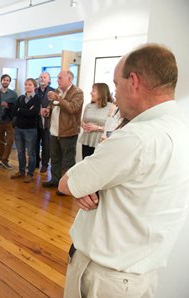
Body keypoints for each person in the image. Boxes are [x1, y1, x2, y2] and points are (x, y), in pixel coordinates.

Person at [58, 44, 189, 298]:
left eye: (116, 84)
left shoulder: (135, 138)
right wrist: (90, 182)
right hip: (140, 275)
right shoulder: (180, 128)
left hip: (104, 280)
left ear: (134, 81)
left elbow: (67, 183)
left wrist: (84, 182)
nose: (114, 94)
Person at [42, 70, 83, 196]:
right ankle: (55, 180)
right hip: (54, 131)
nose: (57, 80)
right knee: (54, 158)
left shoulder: (77, 92)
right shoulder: (57, 91)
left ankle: (67, 186)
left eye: (60, 78)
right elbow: (52, 105)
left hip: (68, 132)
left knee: (68, 161)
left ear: (69, 79)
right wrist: (47, 110)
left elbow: (72, 108)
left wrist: (58, 98)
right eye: (57, 78)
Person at [10, 78, 41, 183]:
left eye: (30, 84)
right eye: (26, 84)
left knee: (31, 153)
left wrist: (21, 110)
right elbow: (14, 111)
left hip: (30, 130)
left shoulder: (38, 99)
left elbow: (34, 113)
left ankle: (30, 173)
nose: (27, 86)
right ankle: (21, 171)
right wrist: (26, 110)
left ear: (34, 86)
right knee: (20, 151)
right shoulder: (20, 98)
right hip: (18, 128)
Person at [79, 83, 115, 159]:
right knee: (85, 164)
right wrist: (83, 125)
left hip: (100, 142)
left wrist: (97, 128)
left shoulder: (111, 107)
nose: (90, 93)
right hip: (87, 140)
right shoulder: (88, 106)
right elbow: (82, 121)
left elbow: (113, 128)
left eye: (93, 91)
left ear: (101, 92)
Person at [0, 74, 17, 170]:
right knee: (1, 142)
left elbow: (16, 108)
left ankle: (5, 160)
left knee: (10, 141)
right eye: (4, 79)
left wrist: (7, 105)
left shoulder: (13, 94)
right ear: (1, 81)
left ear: (9, 82)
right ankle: (2, 160)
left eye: (7, 80)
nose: (5, 81)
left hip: (9, 122)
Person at [35, 72, 55, 173]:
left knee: (46, 145)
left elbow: (55, 106)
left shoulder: (53, 91)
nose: (42, 79)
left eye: (44, 77)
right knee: (35, 143)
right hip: (35, 122)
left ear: (49, 80)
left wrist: (47, 110)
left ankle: (44, 164)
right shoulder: (35, 91)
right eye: (41, 77)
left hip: (47, 122)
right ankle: (35, 162)